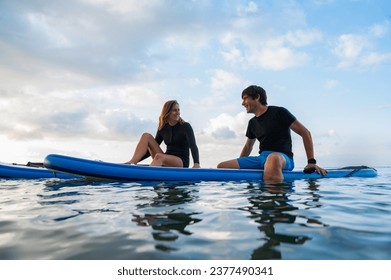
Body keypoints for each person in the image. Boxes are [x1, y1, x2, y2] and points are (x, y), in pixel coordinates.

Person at [217, 85, 327, 183]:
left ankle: (275, 200)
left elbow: (305, 133)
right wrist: (241, 166)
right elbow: (248, 146)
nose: (242, 103)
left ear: (257, 97)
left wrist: (311, 162)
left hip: (282, 157)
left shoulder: (279, 112)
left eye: (245, 98)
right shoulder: (252, 123)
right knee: (222, 167)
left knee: (272, 158)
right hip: (261, 158)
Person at [126, 100, 201, 168]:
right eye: (175, 110)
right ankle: (132, 163)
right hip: (166, 158)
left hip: (180, 161)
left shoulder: (185, 126)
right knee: (146, 136)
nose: (178, 113)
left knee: (159, 157)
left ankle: (147, 175)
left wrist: (196, 163)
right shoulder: (163, 127)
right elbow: (151, 149)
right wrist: (138, 160)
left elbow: (193, 145)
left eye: (178, 110)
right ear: (167, 112)